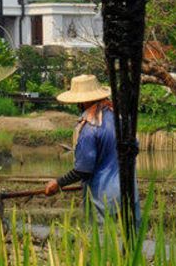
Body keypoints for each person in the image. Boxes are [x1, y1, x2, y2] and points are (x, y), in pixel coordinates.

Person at [43, 73, 137, 225]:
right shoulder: (122, 121)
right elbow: (134, 149)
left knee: (102, 243)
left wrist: (58, 183)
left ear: (83, 101)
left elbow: (83, 170)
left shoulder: (90, 129)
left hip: (103, 198)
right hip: (130, 192)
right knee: (128, 241)